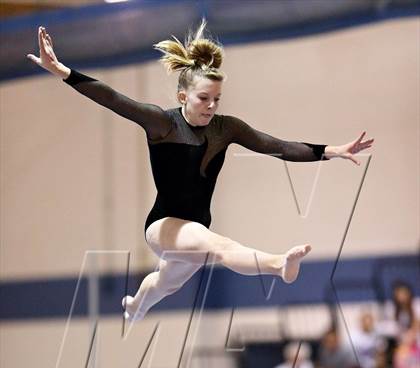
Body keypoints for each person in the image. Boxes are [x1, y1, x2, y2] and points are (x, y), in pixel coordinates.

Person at [27, 20, 374, 321]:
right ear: (183, 97)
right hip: (163, 226)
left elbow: (278, 147)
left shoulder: (226, 128)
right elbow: (114, 99)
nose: (211, 106)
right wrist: (64, 72)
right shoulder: (162, 123)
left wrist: (331, 151)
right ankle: (278, 264)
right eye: (203, 98)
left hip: (195, 229)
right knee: (217, 246)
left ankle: (135, 306)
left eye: (216, 99)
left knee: (166, 282)